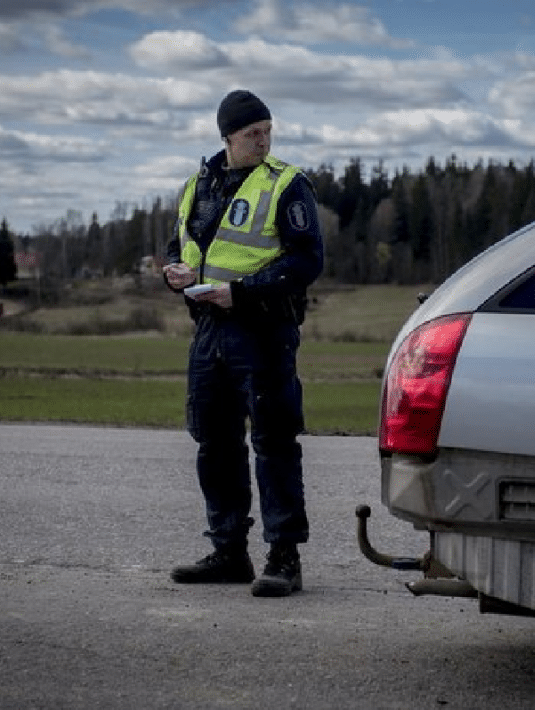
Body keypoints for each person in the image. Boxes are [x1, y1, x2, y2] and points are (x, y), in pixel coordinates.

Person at [162, 89, 324, 597]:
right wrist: (174, 273)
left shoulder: (287, 185)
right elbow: (179, 245)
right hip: (209, 330)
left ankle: (284, 558)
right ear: (228, 136)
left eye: (267, 131)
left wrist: (244, 293)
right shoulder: (196, 186)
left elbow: (306, 260)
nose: (263, 140)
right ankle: (229, 550)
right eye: (253, 133)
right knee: (214, 443)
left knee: (274, 442)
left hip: (264, 330)